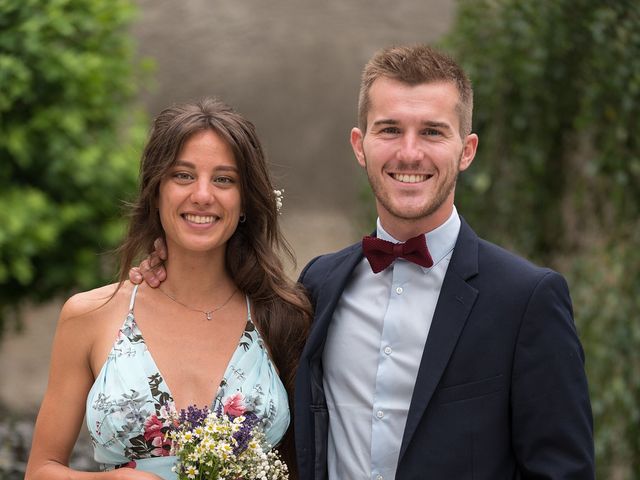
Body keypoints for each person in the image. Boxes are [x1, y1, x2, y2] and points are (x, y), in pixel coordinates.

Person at [132, 45, 595, 479]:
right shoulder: (319, 283)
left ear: (467, 150)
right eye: (390, 129)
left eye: (432, 131)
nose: (409, 152)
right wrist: (168, 268)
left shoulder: (528, 299)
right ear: (360, 145)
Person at [25, 98, 311, 480]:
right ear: (156, 191)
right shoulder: (90, 316)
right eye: (183, 175)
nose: (203, 195)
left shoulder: (284, 316)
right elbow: (40, 471)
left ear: (244, 201)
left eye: (224, 179)